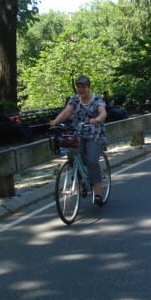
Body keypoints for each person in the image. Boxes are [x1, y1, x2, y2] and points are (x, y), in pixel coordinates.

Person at [50, 75, 107, 205]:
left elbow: (103, 112)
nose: (81, 89)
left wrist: (97, 119)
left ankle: (98, 193)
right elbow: (67, 112)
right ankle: (80, 179)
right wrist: (56, 121)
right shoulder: (75, 99)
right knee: (74, 155)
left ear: (89, 87)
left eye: (83, 87)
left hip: (94, 133)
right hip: (79, 133)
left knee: (92, 161)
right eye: (79, 87)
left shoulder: (97, 99)